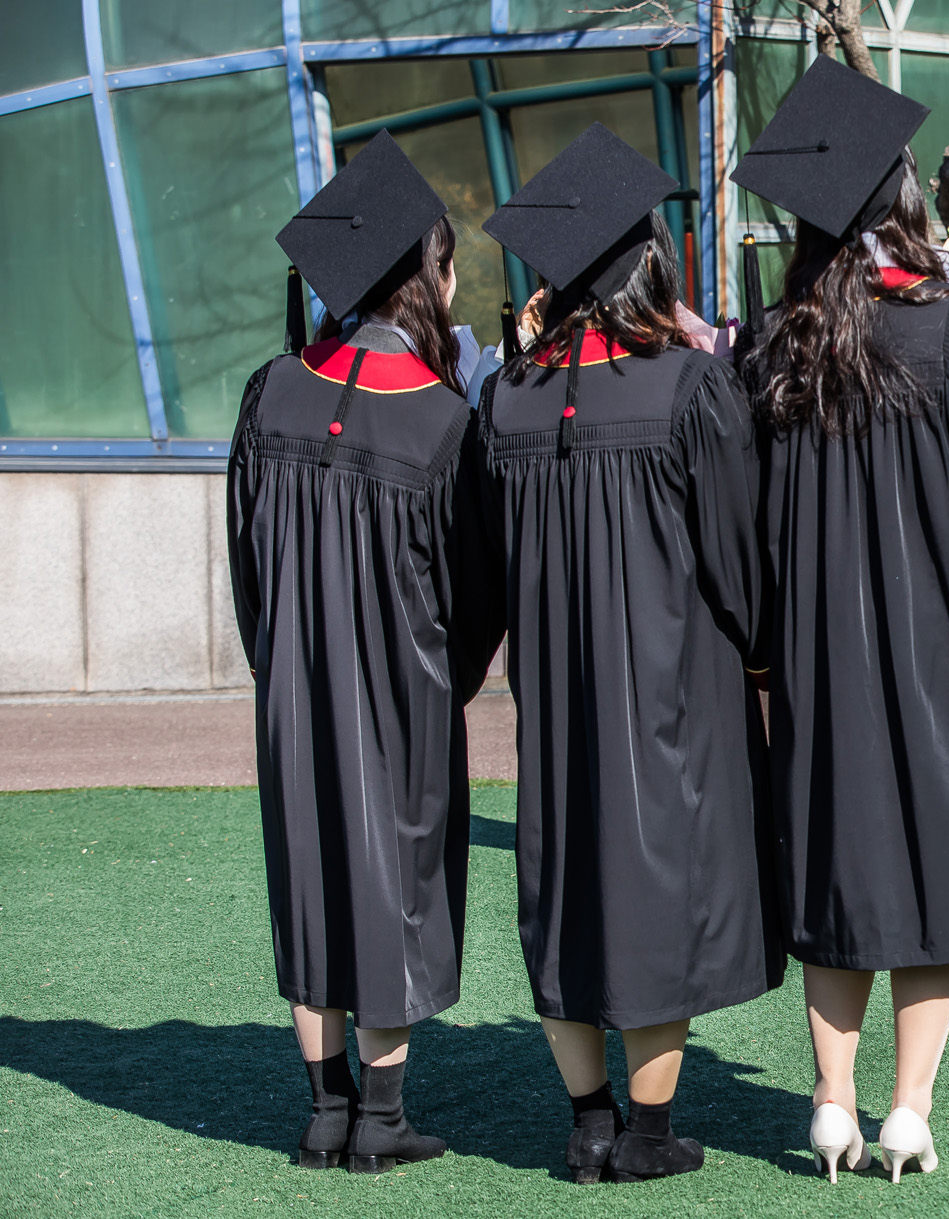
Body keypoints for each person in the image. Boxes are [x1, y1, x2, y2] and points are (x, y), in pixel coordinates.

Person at [731, 59, 949, 1184]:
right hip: (940, 642)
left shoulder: (771, 345)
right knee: (931, 875)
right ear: (900, 205)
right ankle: (906, 1112)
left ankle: (828, 1105)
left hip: (818, 656)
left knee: (841, 872)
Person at [474, 124, 780, 1184]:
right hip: (672, 685)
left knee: (564, 882)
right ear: (647, 264)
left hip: (554, 689)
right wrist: (761, 647)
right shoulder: (687, 389)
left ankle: (588, 1119)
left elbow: (485, 558)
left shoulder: (505, 399)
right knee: (662, 884)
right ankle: (647, 1138)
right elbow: (737, 557)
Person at [229, 132, 492, 1174]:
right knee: (396, 874)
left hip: (292, 684)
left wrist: (278, 660)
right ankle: (381, 1119)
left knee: (312, 865)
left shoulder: (270, 394)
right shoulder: (438, 420)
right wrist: (449, 675)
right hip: (401, 687)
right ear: (424, 274)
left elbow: (246, 562)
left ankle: (324, 1109)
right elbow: (471, 592)